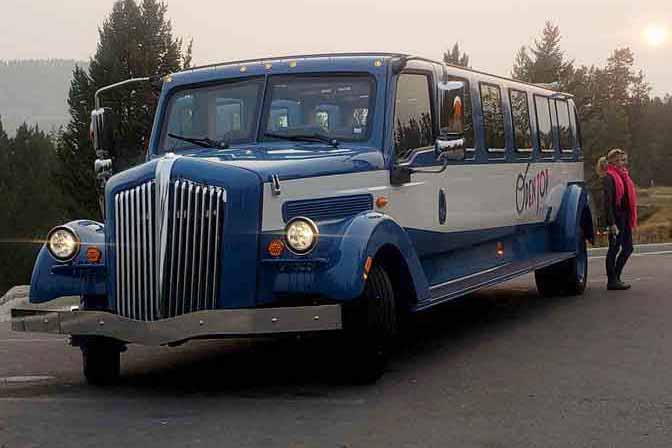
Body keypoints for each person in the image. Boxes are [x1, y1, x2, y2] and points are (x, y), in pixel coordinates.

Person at [602, 148, 638, 290]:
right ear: (612, 161)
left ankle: (616, 276)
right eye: (619, 160)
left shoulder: (624, 176)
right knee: (614, 248)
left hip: (625, 217)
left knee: (628, 248)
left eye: (623, 160)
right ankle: (612, 280)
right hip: (616, 218)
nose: (622, 163)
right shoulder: (609, 177)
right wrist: (611, 223)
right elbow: (607, 203)